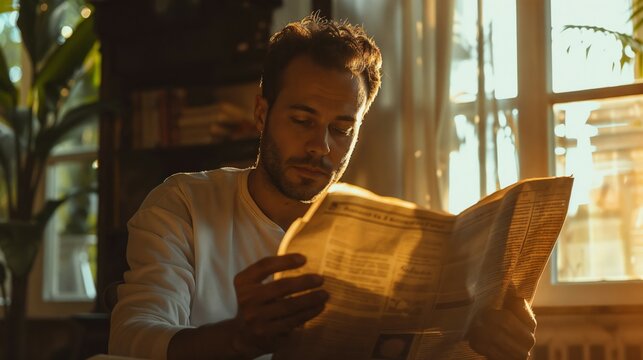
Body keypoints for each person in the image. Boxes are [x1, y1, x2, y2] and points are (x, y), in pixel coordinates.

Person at [109, 14, 536, 360]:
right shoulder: (184, 203)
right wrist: (239, 340)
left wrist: (483, 338)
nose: (321, 147)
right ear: (261, 114)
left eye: (342, 128)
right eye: (302, 120)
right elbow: (133, 337)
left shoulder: (382, 236)